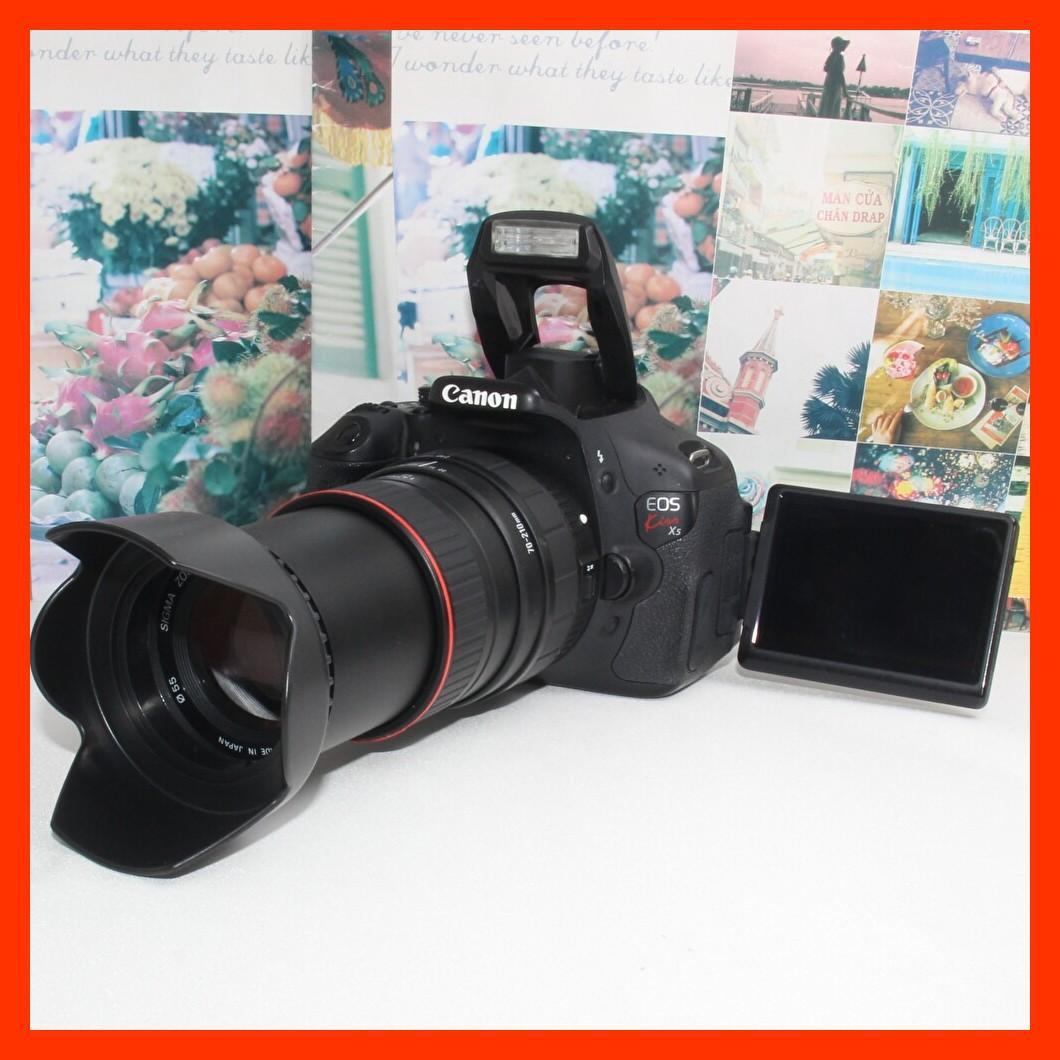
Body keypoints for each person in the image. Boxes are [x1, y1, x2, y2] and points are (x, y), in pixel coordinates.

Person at [820, 36, 850, 119]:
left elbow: (825, 69)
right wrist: (845, 91)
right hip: (835, 86)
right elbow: (840, 75)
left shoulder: (831, 56)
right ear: (838, 46)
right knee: (832, 110)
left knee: (825, 108)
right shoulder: (839, 57)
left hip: (828, 84)